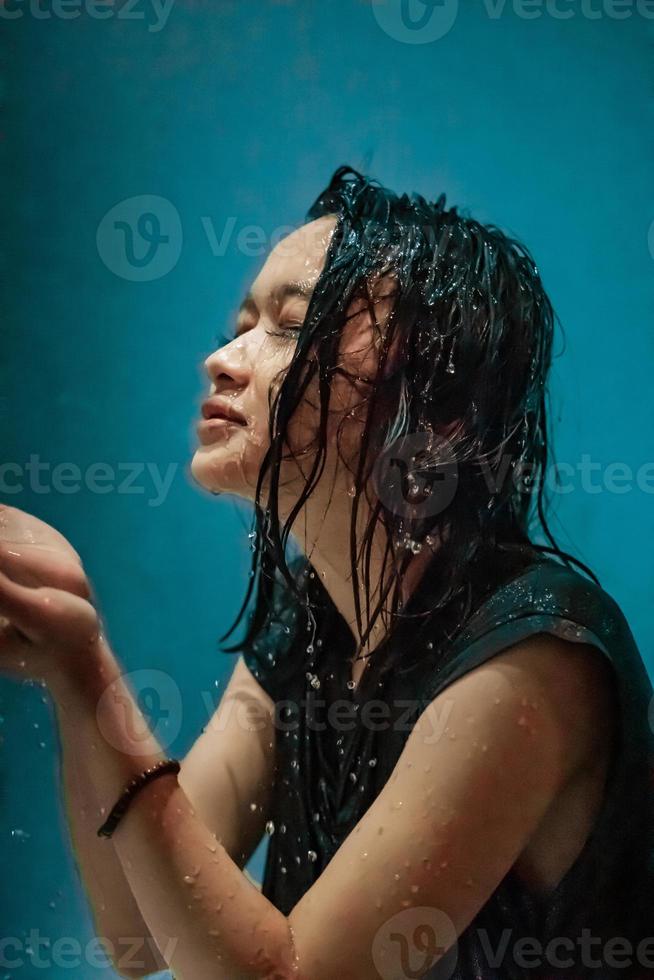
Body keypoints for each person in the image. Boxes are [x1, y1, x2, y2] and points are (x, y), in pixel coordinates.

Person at [1, 166, 653, 979]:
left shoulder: (534, 662)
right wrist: (72, 682)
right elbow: (137, 931)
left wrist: (89, 659)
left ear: (442, 405)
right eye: (241, 324)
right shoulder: (312, 621)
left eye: (290, 325)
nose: (222, 360)